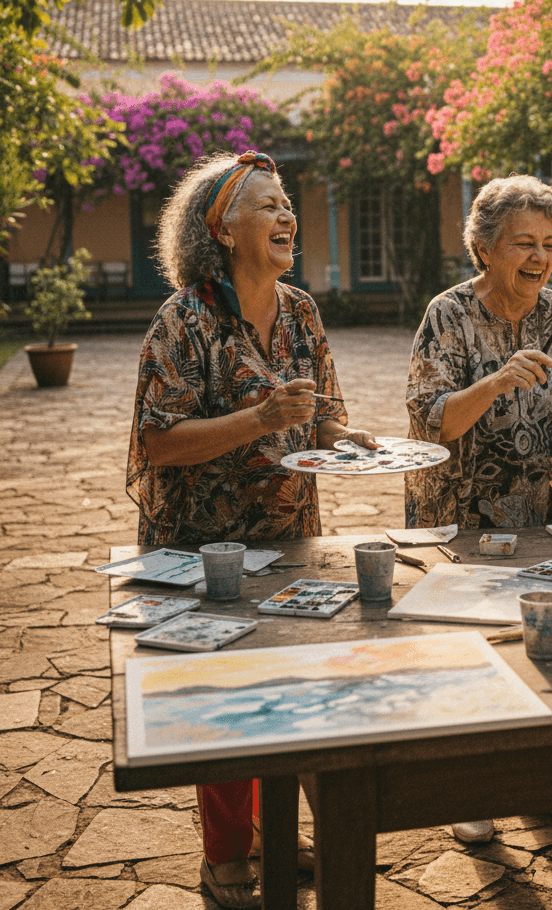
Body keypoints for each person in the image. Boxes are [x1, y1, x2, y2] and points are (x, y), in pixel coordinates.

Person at [126, 151, 377, 908]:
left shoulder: (300, 309)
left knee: (286, 685)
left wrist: (349, 439)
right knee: (226, 697)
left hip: (291, 533)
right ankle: (225, 856)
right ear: (222, 229)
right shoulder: (184, 319)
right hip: (202, 548)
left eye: (288, 202)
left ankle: (272, 833)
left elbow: (322, 414)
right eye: (267, 205)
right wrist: (259, 419)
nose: (286, 215)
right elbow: (158, 442)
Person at [406, 174, 552, 843]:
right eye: (524, 242)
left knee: (548, 651)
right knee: (471, 651)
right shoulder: (449, 315)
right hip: (464, 516)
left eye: (549, 243)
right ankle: (473, 791)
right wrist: (496, 379)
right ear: (484, 247)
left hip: (544, 509)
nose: (540, 257)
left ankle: (544, 788)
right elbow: (433, 424)